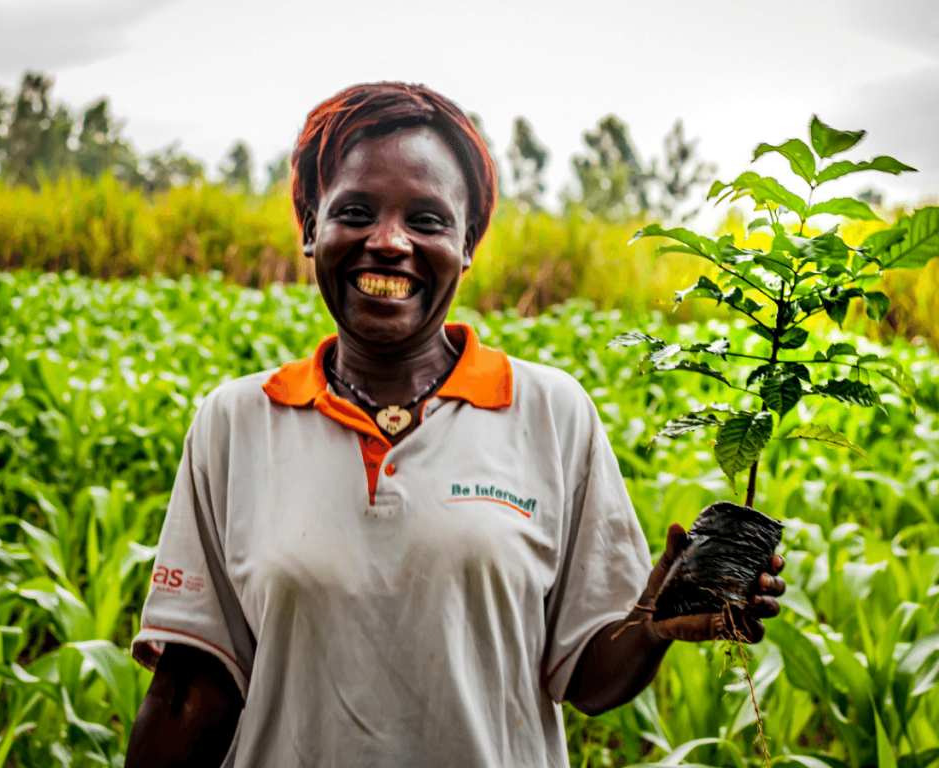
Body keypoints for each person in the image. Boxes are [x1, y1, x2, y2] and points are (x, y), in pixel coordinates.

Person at [124, 82, 786, 768]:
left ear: (467, 244)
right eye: (354, 211)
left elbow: (587, 679)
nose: (388, 242)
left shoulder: (551, 415)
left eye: (427, 220)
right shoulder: (236, 423)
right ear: (310, 227)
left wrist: (653, 622)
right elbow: (192, 687)